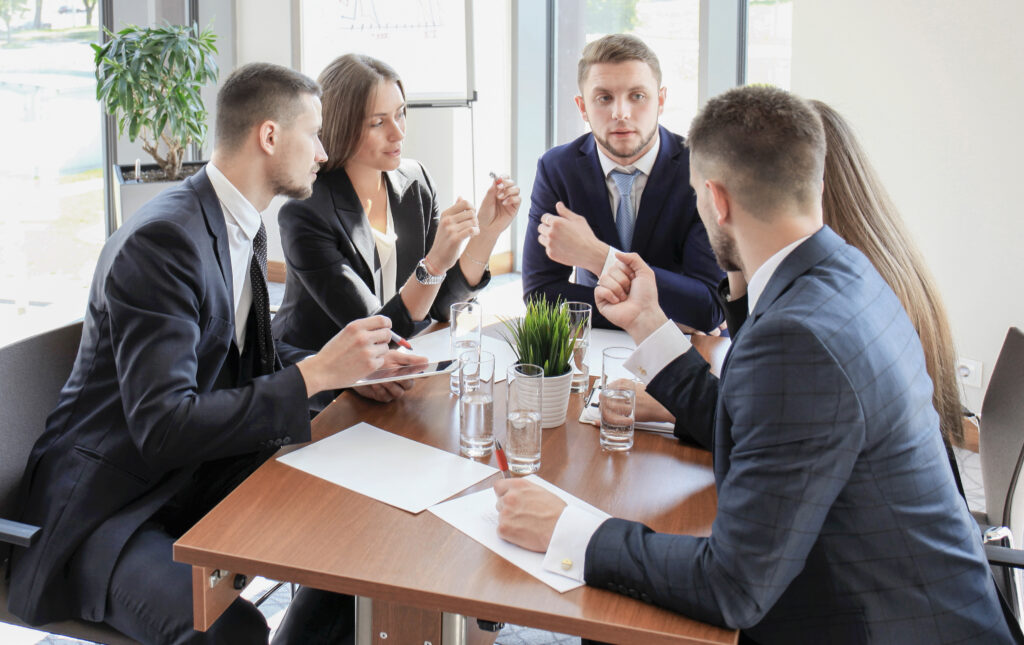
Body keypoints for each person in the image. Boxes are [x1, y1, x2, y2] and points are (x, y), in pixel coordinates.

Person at [494, 86, 1012, 643]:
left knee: (610, 627)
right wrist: (648, 322)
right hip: (914, 597)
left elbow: (732, 586)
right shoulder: (848, 272)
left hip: (873, 625)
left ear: (716, 201)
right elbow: (753, 421)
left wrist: (570, 530)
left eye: (695, 196)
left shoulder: (796, 338)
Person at [7, 63, 423, 644]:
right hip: (113, 513)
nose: (325, 153)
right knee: (233, 632)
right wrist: (314, 373)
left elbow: (241, 362)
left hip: (190, 472)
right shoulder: (163, 242)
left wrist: (342, 373)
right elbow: (164, 425)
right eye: (316, 133)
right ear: (270, 136)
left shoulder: (238, 223)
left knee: (357, 523)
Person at [632, 99, 968, 491]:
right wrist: (738, 261)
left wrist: (671, 408)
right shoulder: (856, 268)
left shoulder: (825, 307)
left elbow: (768, 430)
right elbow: (763, 403)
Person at [272, 53, 520, 402]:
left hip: (391, 371)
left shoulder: (415, 181)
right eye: (378, 122)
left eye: (401, 113)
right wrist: (434, 264)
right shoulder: (305, 213)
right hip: (324, 388)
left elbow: (440, 306)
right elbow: (377, 335)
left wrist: (488, 232)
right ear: (342, 125)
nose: (398, 132)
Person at [520, 33, 723, 331]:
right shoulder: (558, 168)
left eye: (637, 96)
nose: (620, 113)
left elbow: (708, 306)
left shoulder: (700, 167)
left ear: (661, 100)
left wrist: (599, 257)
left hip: (690, 352)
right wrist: (657, 319)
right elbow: (540, 296)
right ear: (582, 107)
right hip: (602, 347)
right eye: (604, 98)